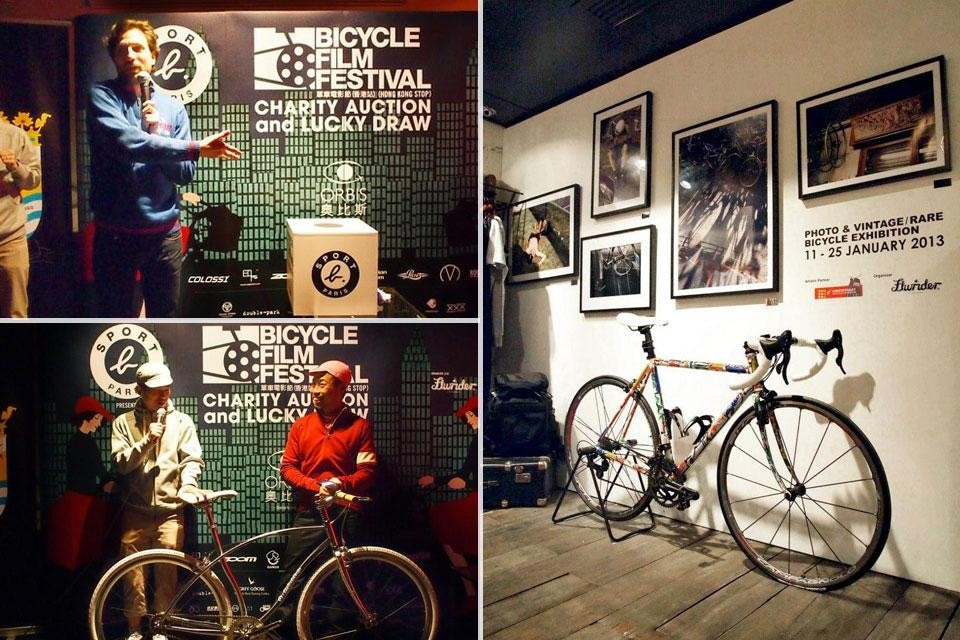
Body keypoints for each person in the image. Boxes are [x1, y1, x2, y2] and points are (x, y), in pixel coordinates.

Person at [87, 18, 242, 317]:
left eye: (137, 48)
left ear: (154, 55)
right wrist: (194, 147)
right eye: (122, 50)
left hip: (164, 237)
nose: (130, 55)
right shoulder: (102, 96)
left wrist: (157, 132)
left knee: (166, 318)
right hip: (115, 237)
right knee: (115, 319)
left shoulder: (173, 107)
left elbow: (183, 174)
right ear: (114, 58)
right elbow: (127, 143)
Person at [276, 360, 377, 628]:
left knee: (344, 579)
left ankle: (338, 632)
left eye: (322, 384)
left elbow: (367, 473)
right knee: (293, 575)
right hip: (309, 511)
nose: (314, 391)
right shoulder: (301, 425)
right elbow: (287, 468)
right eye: (312, 384)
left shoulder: (360, 427)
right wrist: (315, 486)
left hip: (345, 512)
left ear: (341, 388)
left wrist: (338, 483)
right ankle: (282, 632)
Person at [111, 362, 205, 640]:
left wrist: (188, 483)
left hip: (170, 512)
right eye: (155, 391)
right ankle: (134, 631)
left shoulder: (182, 421)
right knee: (133, 577)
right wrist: (146, 442)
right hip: (134, 512)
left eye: (166, 389)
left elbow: (192, 460)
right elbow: (120, 464)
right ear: (139, 390)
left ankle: (162, 629)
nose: (163, 396)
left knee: (167, 576)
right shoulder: (123, 423)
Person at [0, 119, 41, 318]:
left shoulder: (14, 135)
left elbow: (34, 179)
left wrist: (16, 167)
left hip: (10, 238)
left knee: (15, 313)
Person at [66, 395, 116, 495]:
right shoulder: (80, 442)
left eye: (100, 420)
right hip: (82, 495)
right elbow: (95, 468)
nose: (98, 423)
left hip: (82, 493)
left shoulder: (83, 440)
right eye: (96, 418)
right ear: (86, 417)